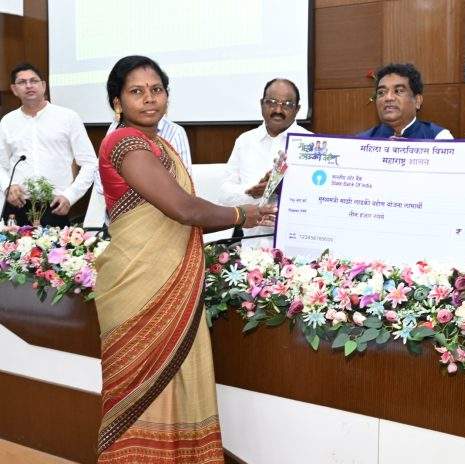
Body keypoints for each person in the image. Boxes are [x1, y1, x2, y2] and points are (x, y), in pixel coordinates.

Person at [94, 55, 275, 463]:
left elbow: (183, 209)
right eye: (136, 91)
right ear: (117, 102)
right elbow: (183, 209)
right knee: (139, 393)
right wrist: (240, 215)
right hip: (138, 286)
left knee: (178, 383)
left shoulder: (160, 144)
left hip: (169, 282)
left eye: (156, 90)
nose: (149, 98)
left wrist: (240, 205)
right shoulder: (124, 143)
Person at [0, 62, 97, 226]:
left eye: (34, 80)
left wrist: (70, 196)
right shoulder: (7, 122)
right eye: (22, 82)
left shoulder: (68, 117)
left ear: (44, 86)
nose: (29, 85)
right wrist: (7, 187)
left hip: (55, 205)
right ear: (14, 89)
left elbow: (90, 163)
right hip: (17, 205)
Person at [219, 78, 311, 247]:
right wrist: (253, 193)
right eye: (272, 102)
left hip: (296, 248)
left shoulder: (309, 144)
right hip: (250, 247)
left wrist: (281, 190)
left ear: (297, 109)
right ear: (262, 104)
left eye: (287, 104)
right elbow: (224, 195)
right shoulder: (245, 141)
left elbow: (318, 199)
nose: (278, 110)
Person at [358, 63, 454, 139]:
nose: (388, 98)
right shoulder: (362, 142)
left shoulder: (438, 138)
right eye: (381, 92)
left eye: (398, 91)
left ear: (417, 101)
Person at [107, 116, 192, 172]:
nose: (149, 99)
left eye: (156, 93)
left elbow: (184, 182)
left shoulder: (175, 131)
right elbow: (102, 184)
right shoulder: (116, 127)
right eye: (136, 94)